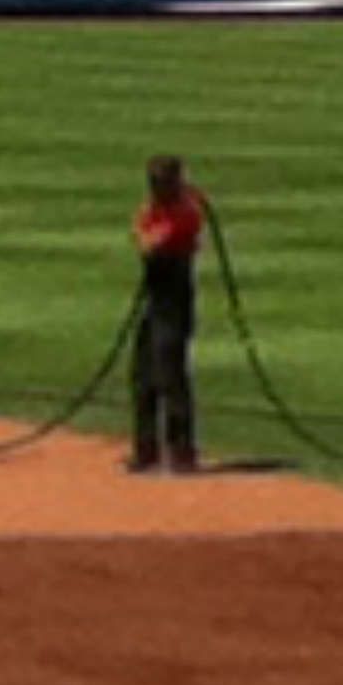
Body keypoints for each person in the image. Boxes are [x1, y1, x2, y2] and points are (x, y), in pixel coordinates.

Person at [130, 153, 206, 473]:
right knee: (142, 372)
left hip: (174, 299)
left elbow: (150, 244)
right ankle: (146, 449)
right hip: (156, 299)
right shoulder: (163, 209)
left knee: (171, 374)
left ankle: (181, 451)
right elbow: (140, 228)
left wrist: (147, 224)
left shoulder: (183, 216)